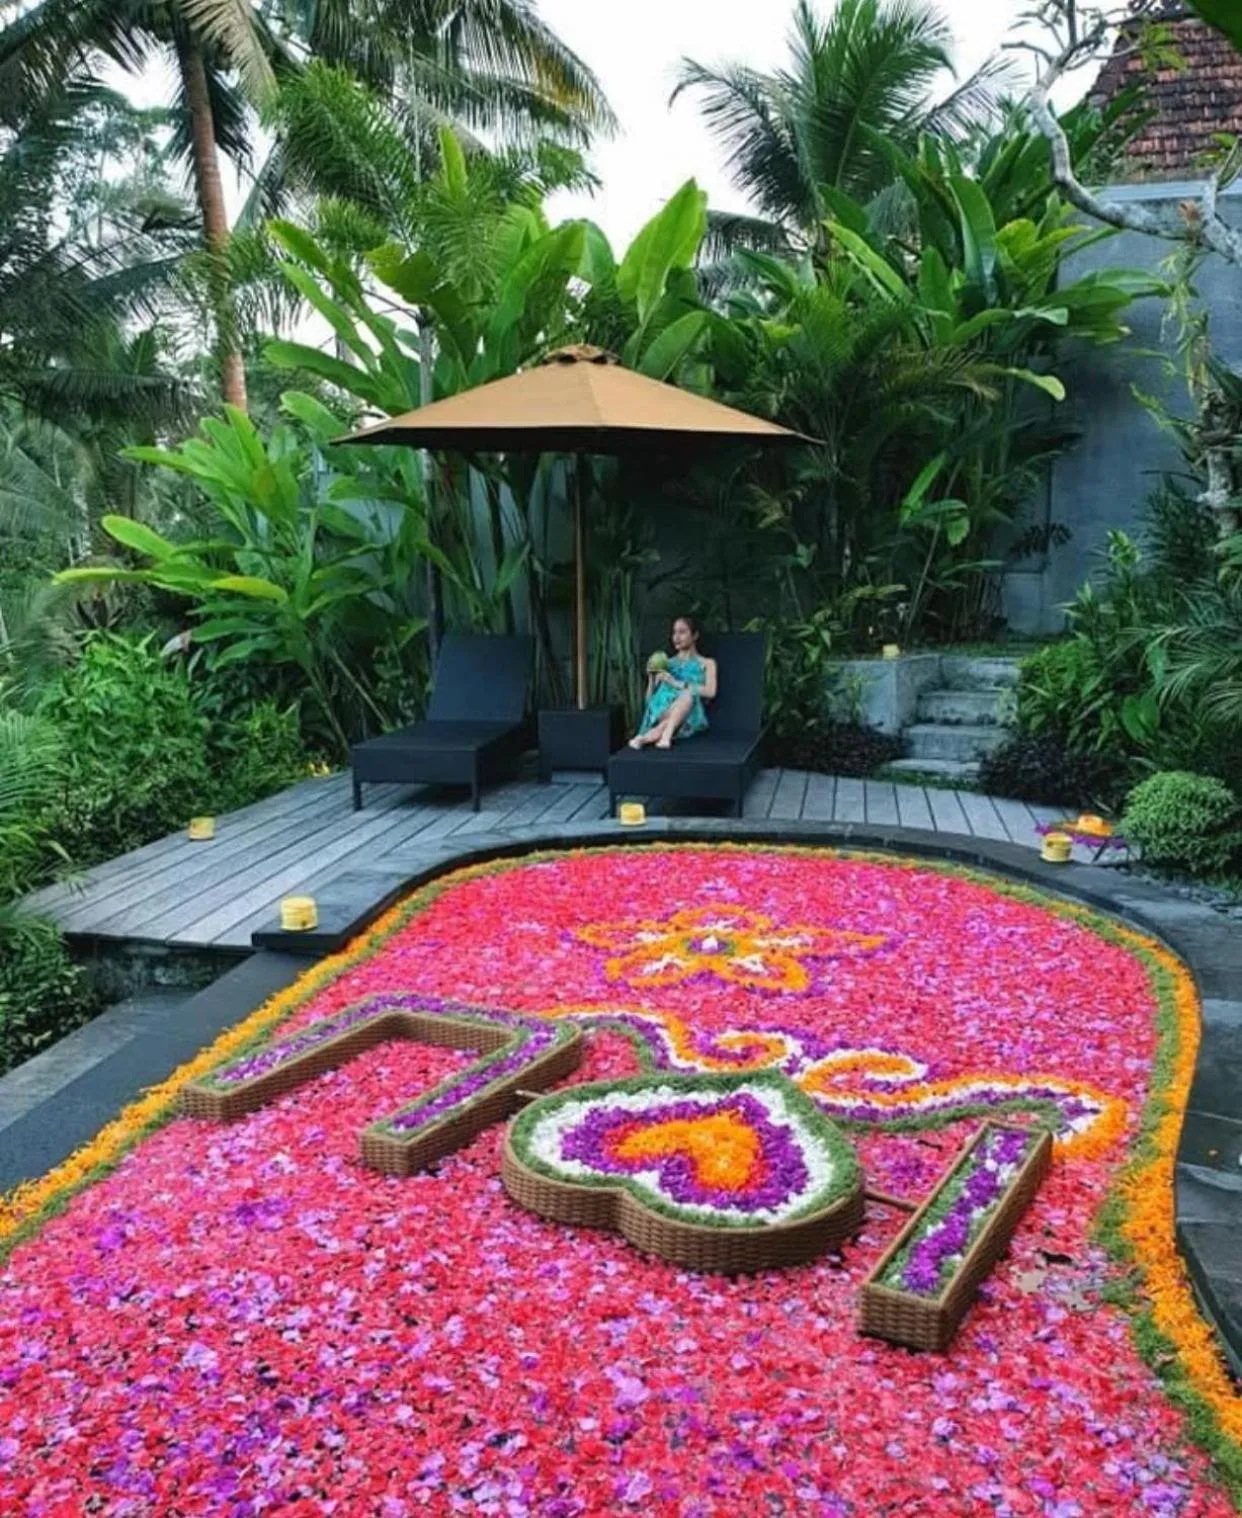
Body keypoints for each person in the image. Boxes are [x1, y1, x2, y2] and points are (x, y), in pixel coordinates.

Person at [628, 616, 718, 750]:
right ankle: (666, 736)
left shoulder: (707, 663)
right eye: (674, 632)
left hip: (688, 715)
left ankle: (645, 738)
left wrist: (677, 683)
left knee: (687, 696)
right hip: (663, 710)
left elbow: (711, 692)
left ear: (695, 635)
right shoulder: (666, 663)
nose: (676, 637)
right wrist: (651, 680)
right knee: (686, 697)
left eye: (682, 632)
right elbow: (649, 702)